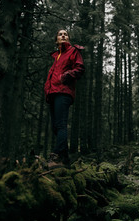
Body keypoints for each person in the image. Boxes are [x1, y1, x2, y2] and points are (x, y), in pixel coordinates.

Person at [44, 29, 85, 168]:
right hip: (53, 93)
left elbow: (80, 68)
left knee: (61, 124)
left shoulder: (73, 51)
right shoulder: (56, 56)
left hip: (64, 92)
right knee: (56, 127)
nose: (63, 35)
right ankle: (65, 159)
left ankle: (57, 156)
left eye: (65, 34)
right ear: (56, 39)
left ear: (68, 38)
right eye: (60, 34)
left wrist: (67, 76)